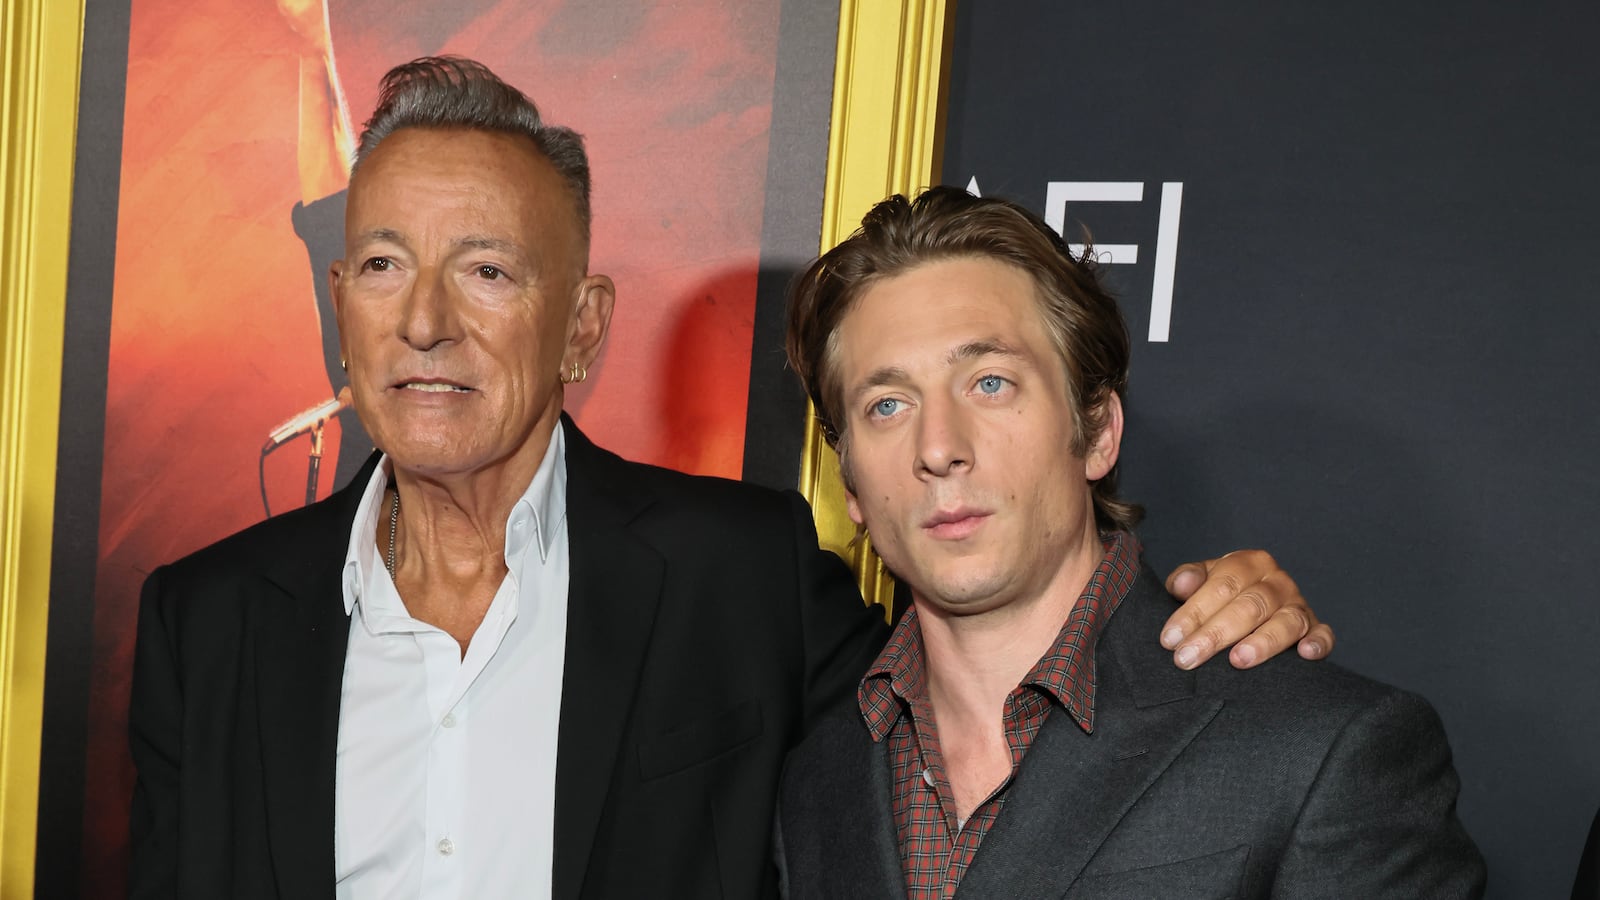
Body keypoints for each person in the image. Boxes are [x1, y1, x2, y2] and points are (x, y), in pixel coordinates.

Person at [129, 58, 1333, 899]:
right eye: (383, 265)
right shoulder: (211, 620)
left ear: (584, 327)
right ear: (339, 304)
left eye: (487, 272)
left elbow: (988, 678)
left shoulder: (738, 572)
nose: (426, 322)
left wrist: (1194, 614)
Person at [775, 186, 1486, 898]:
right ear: (853, 490)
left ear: (1098, 433)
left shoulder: (1319, 751)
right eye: (887, 405)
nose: (939, 447)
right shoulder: (816, 781)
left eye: (989, 383)